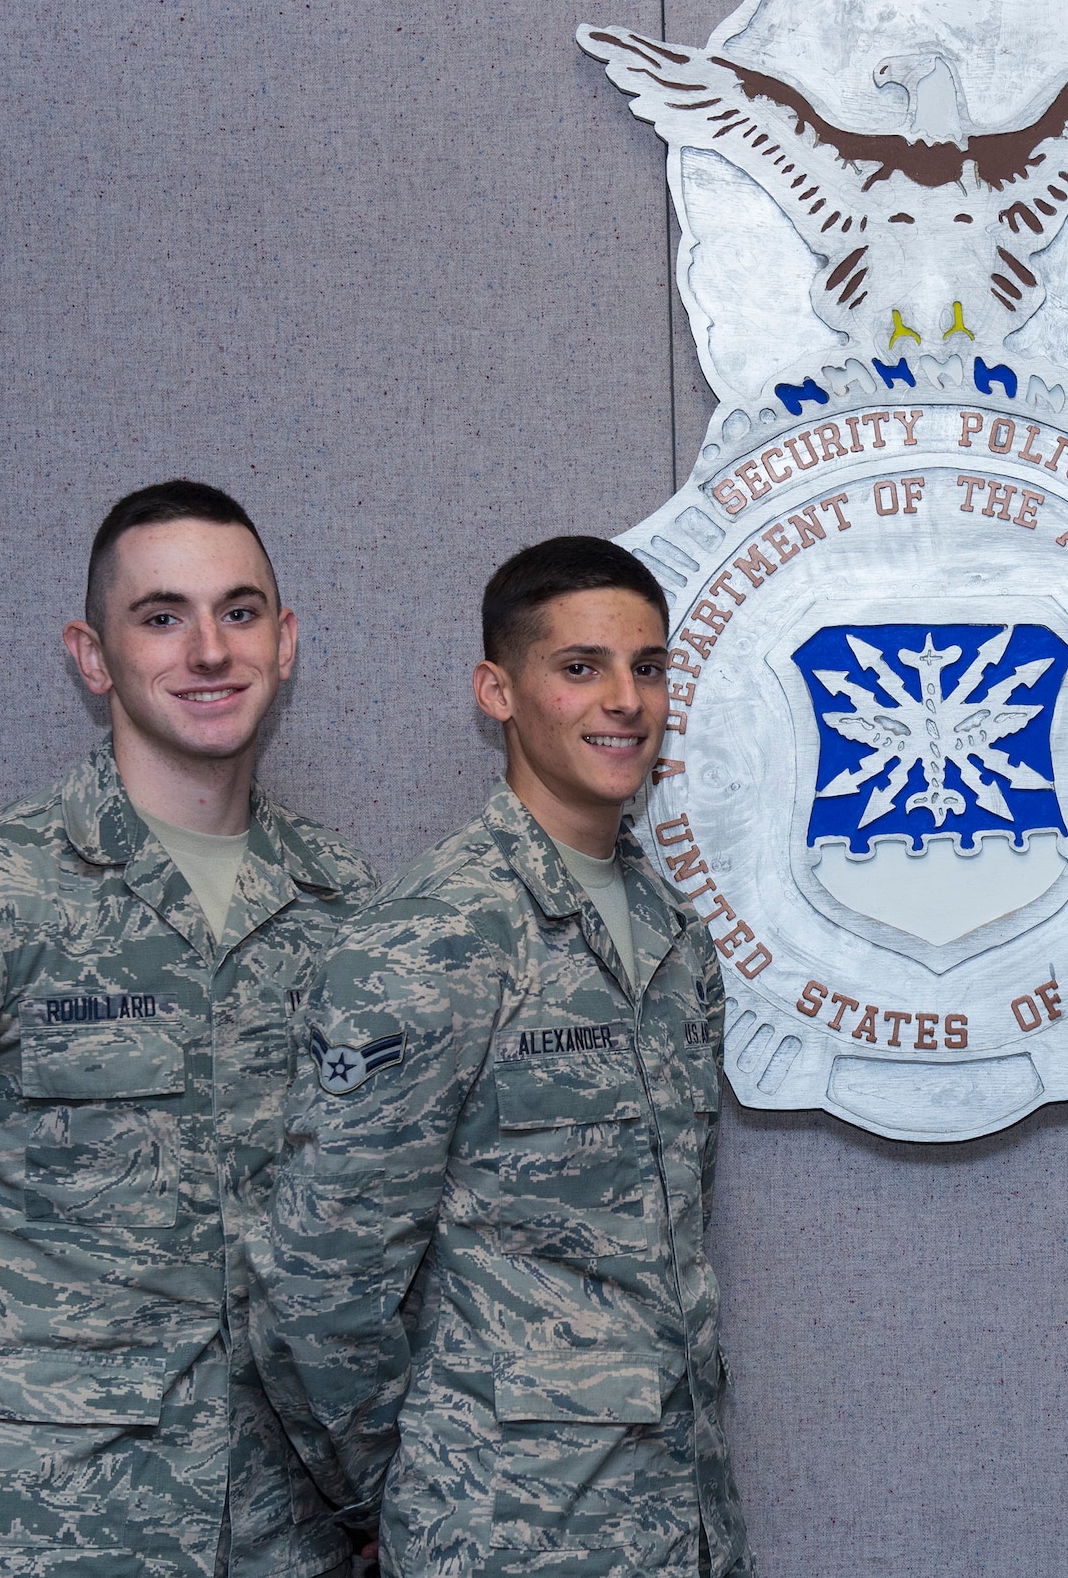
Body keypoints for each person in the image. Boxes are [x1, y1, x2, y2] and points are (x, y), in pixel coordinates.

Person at [0, 481, 377, 1577]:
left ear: (286, 639)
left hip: (280, 1539)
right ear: (92, 654)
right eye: (161, 616)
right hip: (40, 1536)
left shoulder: (346, 906)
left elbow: (359, 1243)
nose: (209, 648)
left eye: (240, 610)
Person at [248, 535, 752, 1577]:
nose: (624, 699)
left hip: (679, 1520)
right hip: (500, 1532)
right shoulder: (430, 940)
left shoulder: (672, 935)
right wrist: (408, 1483)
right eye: (580, 667)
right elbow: (318, 1281)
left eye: (646, 667)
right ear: (498, 690)